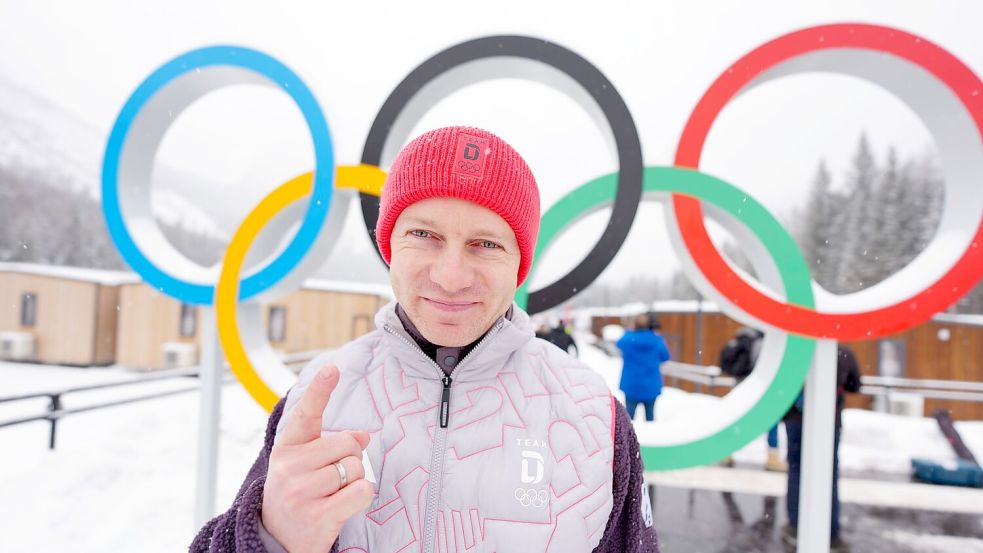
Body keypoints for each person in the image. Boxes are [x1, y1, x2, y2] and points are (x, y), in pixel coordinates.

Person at [191, 126, 659, 552]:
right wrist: (270, 538)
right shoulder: (318, 398)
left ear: (519, 263)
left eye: (486, 244)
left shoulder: (595, 416)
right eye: (424, 235)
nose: (451, 277)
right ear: (390, 247)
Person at [783, 344, 862, 551]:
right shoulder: (840, 351)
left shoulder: (796, 349)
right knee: (829, 476)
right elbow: (855, 385)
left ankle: (795, 525)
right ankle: (831, 531)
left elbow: (783, 382)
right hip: (829, 421)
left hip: (796, 419)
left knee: (796, 471)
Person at [718, 327, 786, 472]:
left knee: (737, 421)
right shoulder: (762, 343)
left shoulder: (737, 340)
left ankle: (726, 453)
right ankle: (772, 457)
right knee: (771, 421)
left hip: (739, 388)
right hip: (757, 388)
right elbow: (762, 368)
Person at [616, 312, 670, 422]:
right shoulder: (657, 340)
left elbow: (619, 343)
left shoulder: (628, 339)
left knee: (628, 421)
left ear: (635, 325)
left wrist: (630, 330)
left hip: (631, 386)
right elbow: (665, 357)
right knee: (650, 419)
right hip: (651, 386)